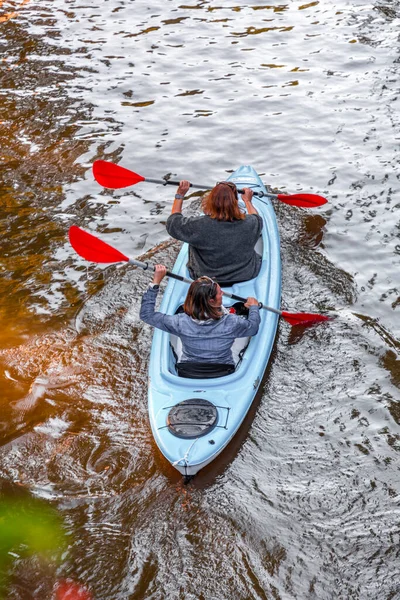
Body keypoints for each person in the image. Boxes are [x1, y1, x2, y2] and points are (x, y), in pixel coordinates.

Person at [140, 265, 260, 377]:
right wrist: (254, 307)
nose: (223, 293)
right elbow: (253, 328)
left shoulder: (179, 322)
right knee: (242, 334)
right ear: (212, 302)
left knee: (178, 338)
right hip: (223, 371)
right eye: (220, 293)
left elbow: (146, 315)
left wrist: (155, 283)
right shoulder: (232, 321)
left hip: (187, 371)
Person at [166, 179, 263, 287]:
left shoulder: (198, 225)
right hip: (245, 275)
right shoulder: (250, 223)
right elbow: (257, 218)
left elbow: (172, 223)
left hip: (205, 278)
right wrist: (248, 201)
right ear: (235, 203)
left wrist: (180, 195)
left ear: (210, 202)